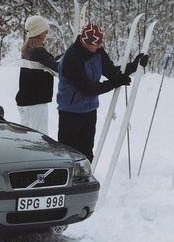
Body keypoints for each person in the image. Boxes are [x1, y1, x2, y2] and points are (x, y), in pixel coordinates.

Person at [56, 23, 148, 161]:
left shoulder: (97, 51)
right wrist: (113, 83)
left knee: (87, 152)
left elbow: (112, 72)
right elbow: (88, 89)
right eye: (96, 44)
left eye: (100, 43)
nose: (99, 46)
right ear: (86, 42)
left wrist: (135, 65)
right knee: (69, 154)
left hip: (90, 110)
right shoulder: (71, 58)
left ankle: (87, 180)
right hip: (71, 113)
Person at [16, 15, 59, 135]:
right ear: (39, 32)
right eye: (45, 30)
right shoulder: (38, 52)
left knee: (26, 140)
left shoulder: (27, 50)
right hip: (35, 103)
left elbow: (48, 64)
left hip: (24, 102)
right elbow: (59, 70)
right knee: (40, 140)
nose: (47, 32)